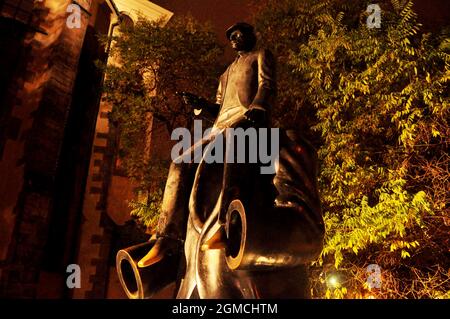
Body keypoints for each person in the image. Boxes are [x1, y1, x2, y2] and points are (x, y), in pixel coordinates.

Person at [136, 22, 323, 298]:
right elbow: (220, 106)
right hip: (221, 128)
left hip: (248, 123)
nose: (234, 39)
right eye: (231, 37)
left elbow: (266, 86)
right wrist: (202, 106)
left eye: (238, 34)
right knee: (181, 159)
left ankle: (227, 223)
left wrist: (258, 110)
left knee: (236, 140)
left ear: (250, 35)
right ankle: (167, 238)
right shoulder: (224, 74)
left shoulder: (261, 56)